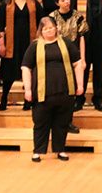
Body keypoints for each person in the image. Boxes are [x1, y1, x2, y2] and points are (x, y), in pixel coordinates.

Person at [24, 14, 83, 162]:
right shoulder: (35, 46)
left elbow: (77, 63)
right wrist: (28, 89)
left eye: (51, 28)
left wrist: (80, 84)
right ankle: (38, 151)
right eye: (46, 29)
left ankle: (60, 149)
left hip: (64, 90)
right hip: (42, 92)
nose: (49, 31)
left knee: (62, 122)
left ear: (56, 28)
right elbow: (26, 67)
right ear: (41, 31)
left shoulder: (66, 43)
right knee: (40, 121)